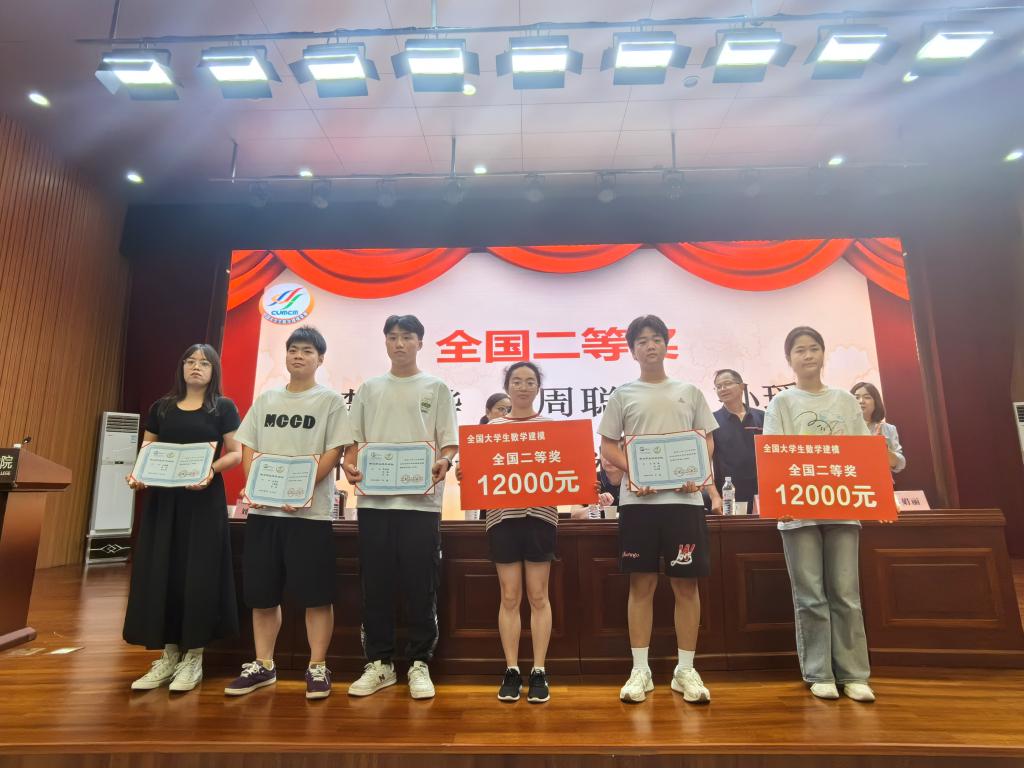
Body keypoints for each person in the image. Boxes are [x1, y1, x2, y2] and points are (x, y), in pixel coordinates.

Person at [598, 314, 722, 705]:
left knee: (687, 585)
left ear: (666, 345)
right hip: (639, 504)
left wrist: (696, 471)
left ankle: (685, 669)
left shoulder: (689, 392)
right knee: (641, 585)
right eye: (642, 341)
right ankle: (641, 670)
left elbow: (707, 441)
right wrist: (634, 470)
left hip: (684, 502)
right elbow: (607, 446)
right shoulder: (623, 395)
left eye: (656, 339)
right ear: (632, 351)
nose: (650, 345)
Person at [224, 326, 353, 700]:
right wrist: (255, 484)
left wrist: (305, 487)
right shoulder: (267, 399)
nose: (298, 355)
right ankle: (263, 665)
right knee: (262, 594)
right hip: (265, 514)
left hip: (309, 516)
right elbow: (248, 446)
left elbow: (334, 451)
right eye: (293, 349)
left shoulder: (329, 401)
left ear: (320, 359)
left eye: (307, 351)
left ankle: (317, 666)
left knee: (316, 595)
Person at [343, 315, 458, 700]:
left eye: (407, 337)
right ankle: (380, 663)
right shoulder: (370, 388)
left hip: (421, 504)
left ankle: (420, 662)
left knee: (420, 583)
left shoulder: (436, 388)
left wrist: (445, 461)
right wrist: (349, 465)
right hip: (374, 501)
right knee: (375, 583)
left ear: (420, 343)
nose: (399, 343)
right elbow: (353, 442)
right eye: (392, 337)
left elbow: (448, 443)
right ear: (386, 343)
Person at [764, 326, 876, 703]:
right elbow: (773, 452)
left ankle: (854, 674)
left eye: (814, 348)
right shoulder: (781, 403)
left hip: (843, 506)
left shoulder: (844, 400)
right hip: (797, 510)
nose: (808, 355)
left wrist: (877, 491)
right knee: (810, 595)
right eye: (800, 350)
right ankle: (819, 672)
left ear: (823, 354)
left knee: (846, 593)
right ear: (789, 359)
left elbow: (863, 451)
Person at [124, 344, 242, 693]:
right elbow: (148, 451)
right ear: (181, 367)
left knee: (198, 574)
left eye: (204, 363)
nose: (196, 367)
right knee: (164, 570)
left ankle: (194, 658)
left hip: (203, 501)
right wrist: (138, 475)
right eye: (190, 361)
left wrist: (210, 470)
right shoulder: (161, 407)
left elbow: (235, 454)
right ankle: (169, 655)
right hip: (164, 502)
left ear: (214, 370)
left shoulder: (223, 407)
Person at [457, 362, 557, 703]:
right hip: (502, 519)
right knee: (510, 596)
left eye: (530, 381)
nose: (523, 387)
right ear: (507, 386)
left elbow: (568, 472)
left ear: (538, 387)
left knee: (539, 596)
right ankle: (512, 669)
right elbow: (475, 474)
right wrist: (465, 474)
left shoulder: (552, 428)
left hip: (541, 517)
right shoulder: (490, 430)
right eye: (517, 381)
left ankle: (539, 670)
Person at [711, 369, 764, 506]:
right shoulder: (711, 420)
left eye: (727, 383)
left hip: (763, 492)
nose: (723, 389)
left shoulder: (762, 417)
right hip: (729, 494)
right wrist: (714, 496)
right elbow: (704, 463)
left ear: (742, 386)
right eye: (718, 386)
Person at [851, 381, 906, 473]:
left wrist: (882, 448)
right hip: (850, 475)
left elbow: (900, 463)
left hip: (878, 478)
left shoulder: (888, 428)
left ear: (876, 402)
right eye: (856, 397)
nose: (861, 401)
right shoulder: (843, 427)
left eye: (867, 397)